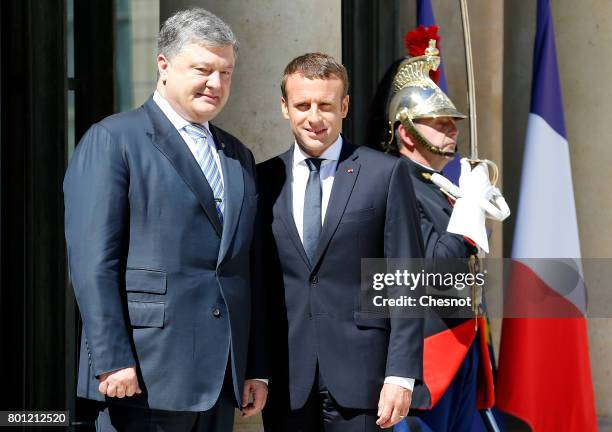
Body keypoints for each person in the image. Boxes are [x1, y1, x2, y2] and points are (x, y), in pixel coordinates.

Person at [63, 8, 267, 432]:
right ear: (163, 65)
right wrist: (112, 357)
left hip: (219, 379)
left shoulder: (237, 155)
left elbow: (247, 268)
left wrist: (254, 366)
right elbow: (92, 263)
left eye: (225, 72)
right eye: (203, 69)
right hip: (141, 375)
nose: (216, 83)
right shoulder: (114, 140)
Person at [256, 52, 425, 432]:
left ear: (344, 106)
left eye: (325, 105)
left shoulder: (385, 173)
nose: (313, 117)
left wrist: (401, 373)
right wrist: (257, 369)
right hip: (286, 379)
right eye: (302, 105)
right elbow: (259, 285)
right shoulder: (263, 179)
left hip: (364, 378)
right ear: (284, 108)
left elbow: (406, 279)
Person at [384, 28, 496, 432]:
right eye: (438, 123)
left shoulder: (440, 185)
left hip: (463, 342)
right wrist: (469, 208)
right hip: (428, 353)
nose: (451, 130)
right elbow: (437, 268)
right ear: (405, 131)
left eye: (452, 123)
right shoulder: (397, 184)